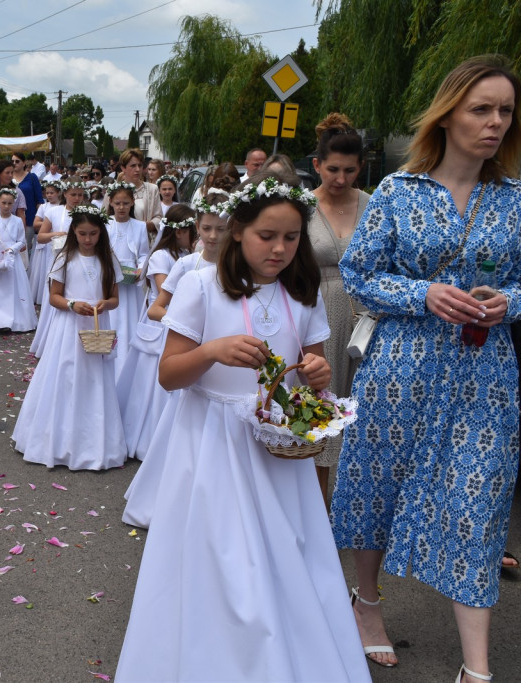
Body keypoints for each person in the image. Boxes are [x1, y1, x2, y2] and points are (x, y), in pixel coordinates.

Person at [116, 173, 369, 682]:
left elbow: (311, 368)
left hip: (277, 444)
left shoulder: (304, 290)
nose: (279, 248)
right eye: (266, 236)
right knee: (223, 557)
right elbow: (169, 375)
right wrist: (211, 351)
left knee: (285, 551)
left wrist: (318, 374)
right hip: (213, 442)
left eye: (292, 237)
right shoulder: (201, 286)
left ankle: (288, 655)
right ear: (237, 231)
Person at [330, 56, 521, 682]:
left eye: (505, 111)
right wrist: (423, 295)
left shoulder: (515, 199)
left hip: (484, 374)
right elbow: (359, 272)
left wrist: (509, 301)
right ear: (449, 114)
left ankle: (477, 669)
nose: (495, 122)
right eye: (481, 108)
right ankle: (367, 604)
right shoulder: (397, 192)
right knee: (378, 488)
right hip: (403, 367)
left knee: (480, 499)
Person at [124, 190, 231, 528]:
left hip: (226, 362)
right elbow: (156, 307)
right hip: (193, 354)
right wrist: (190, 327)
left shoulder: (238, 267)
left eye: (221, 229)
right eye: (208, 228)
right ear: (197, 228)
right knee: (184, 430)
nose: (213, 236)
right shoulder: (188, 264)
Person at [11, 206, 125, 470]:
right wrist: (73, 305)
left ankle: (93, 443)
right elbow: (54, 297)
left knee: (94, 380)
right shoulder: (65, 258)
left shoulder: (109, 260)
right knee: (64, 376)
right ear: (74, 231)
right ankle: (56, 440)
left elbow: (115, 299)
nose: (87, 239)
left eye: (93, 234)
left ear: (101, 233)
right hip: (69, 325)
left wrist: (103, 304)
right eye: (82, 233)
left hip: (96, 323)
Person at [306, 113, 369, 504]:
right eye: (332, 169)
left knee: (363, 413)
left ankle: (356, 511)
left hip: (368, 318)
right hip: (318, 312)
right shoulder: (301, 206)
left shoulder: (374, 204)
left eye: (349, 170)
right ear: (317, 165)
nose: (341, 179)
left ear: (360, 167)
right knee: (321, 412)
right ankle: (316, 509)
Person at [115, 205, 197, 461]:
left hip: (178, 321)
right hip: (160, 323)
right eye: (190, 230)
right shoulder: (161, 255)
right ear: (179, 231)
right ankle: (145, 437)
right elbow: (165, 288)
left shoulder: (188, 253)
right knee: (150, 382)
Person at [30, 179, 87, 357]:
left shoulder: (86, 213)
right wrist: (56, 234)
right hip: (57, 263)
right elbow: (40, 237)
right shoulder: (54, 212)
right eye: (73, 195)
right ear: (65, 195)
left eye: (80, 195)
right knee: (55, 301)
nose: (77, 198)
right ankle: (50, 342)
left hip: (80, 263)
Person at [105, 181, 150, 368]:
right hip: (110, 277)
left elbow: (144, 253)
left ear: (132, 203)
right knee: (113, 317)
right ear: (111, 204)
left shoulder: (139, 226)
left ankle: (129, 357)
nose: (121, 207)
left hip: (130, 279)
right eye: (117, 203)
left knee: (129, 317)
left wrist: (140, 268)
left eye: (125, 203)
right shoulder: (106, 224)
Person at [0, 187, 37, 332]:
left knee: (13, 287)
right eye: (4, 203)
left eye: (10, 204)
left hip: (12, 257)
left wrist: (12, 249)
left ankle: (15, 319)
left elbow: (21, 240)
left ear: (14, 203)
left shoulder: (18, 221)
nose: (7, 206)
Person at [117, 148, 162, 246]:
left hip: (144, 242)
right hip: (120, 242)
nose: (137, 169)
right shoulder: (113, 190)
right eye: (133, 166)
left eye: (140, 165)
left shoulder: (152, 189)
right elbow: (107, 219)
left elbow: (159, 218)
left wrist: (144, 226)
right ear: (123, 168)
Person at [29, 180, 63, 305]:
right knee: (42, 269)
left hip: (57, 242)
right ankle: (39, 295)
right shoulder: (43, 207)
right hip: (46, 240)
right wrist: (49, 223)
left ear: (58, 193)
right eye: (47, 193)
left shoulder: (62, 207)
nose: (49, 195)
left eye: (52, 193)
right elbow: (35, 223)